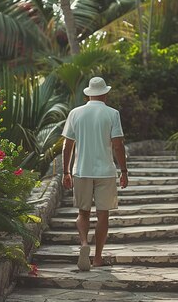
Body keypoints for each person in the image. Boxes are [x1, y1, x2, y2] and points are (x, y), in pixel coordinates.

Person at [61, 76, 128, 271]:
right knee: (103, 215)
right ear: (105, 93)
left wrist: (66, 171)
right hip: (105, 171)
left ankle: (83, 244)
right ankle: (97, 258)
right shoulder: (112, 114)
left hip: (81, 170)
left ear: (89, 94)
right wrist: (123, 170)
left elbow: (67, 145)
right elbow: (118, 145)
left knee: (83, 212)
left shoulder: (75, 113)